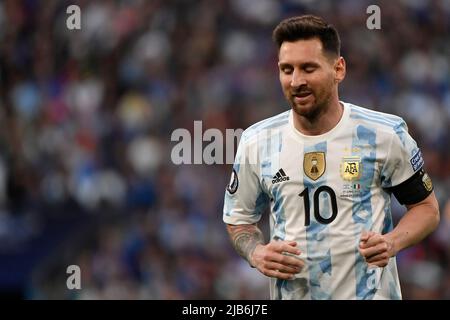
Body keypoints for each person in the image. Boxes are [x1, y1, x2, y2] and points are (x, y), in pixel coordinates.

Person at [223, 15, 440, 299]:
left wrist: (391, 242)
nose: (296, 80)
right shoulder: (257, 142)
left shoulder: (383, 134)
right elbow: (239, 218)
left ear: (338, 69)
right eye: (286, 70)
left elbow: (426, 208)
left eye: (308, 68)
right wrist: (256, 252)